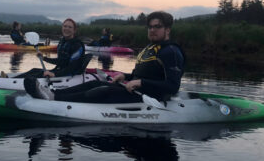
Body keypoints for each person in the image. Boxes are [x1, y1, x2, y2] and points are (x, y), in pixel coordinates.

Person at [24, 11, 185, 103]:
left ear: (168, 30)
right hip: (136, 89)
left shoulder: (171, 52)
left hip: (150, 97)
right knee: (95, 82)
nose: (152, 30)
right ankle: (53, 94)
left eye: (157, 27)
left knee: (104, 89)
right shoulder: (150, 48)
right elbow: (138, 76)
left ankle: (54, 98)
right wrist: (125, 76)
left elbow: (173, 86)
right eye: (150, 27)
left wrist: (140, 82)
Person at [17, 18, 86, 78]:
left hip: (69, 75)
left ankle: (9, 81)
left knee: (37, 75)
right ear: (62, 28)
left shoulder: (77, 45)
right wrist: (44, 58)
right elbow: (60, 61)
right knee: (34, 70)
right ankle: (8, 79)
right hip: (59, 71)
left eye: (70, 27)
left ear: (74, 30)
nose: (66, 29)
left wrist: (54, 74)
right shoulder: (63, 42)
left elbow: (72, 67)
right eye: (65, 26)